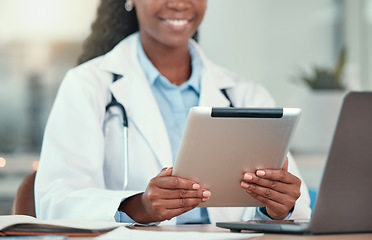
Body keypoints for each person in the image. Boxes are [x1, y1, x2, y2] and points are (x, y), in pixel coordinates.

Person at [35, 0, 311, 224]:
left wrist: (279, 207)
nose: (179, 3)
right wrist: (138, 208)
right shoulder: (88, 85)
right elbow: (57, 201)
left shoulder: (245, 94)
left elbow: (297, 208)